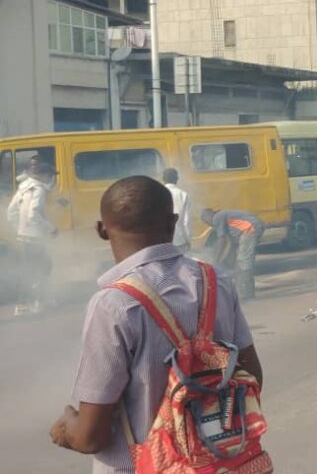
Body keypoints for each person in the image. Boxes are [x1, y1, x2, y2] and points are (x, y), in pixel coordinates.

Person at [49, 176, 261, 472]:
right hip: (218, 463)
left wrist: (68, 426)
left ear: (102, 230)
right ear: (173, 222)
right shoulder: (216, 282)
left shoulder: (113, 304)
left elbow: (91, 437)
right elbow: (251, 378)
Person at [5, 158, 57, 314]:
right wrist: (51, 229)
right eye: (49, 175)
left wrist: (21, 229)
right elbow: (33, 214)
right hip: (34, 238)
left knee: (37, 268)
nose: (51, 178)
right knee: (40, 269)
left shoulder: (23, 188)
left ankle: (34, 301)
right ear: (42, 175)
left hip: (25, 237)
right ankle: (32, 303)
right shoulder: (38, 189)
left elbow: (11, 213)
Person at [201, 208, 264, 299]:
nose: (208, 224)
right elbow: (229, 243)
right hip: (253, 227)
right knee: (242, 260)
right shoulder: (223, 216)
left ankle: (246, 293)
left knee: (244, 261)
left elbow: (222, 241)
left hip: (250, 229)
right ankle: (245, 291)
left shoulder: (217, 218)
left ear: (207, 217)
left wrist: (215, 261)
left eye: (205, 221)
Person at [162, 168, 192, 253]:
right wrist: (188, 240)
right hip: (178, 240)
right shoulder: (183, 195)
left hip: (160, 241)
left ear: (163, 179)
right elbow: (187, 221)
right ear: (177, 179)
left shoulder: (156, 193)